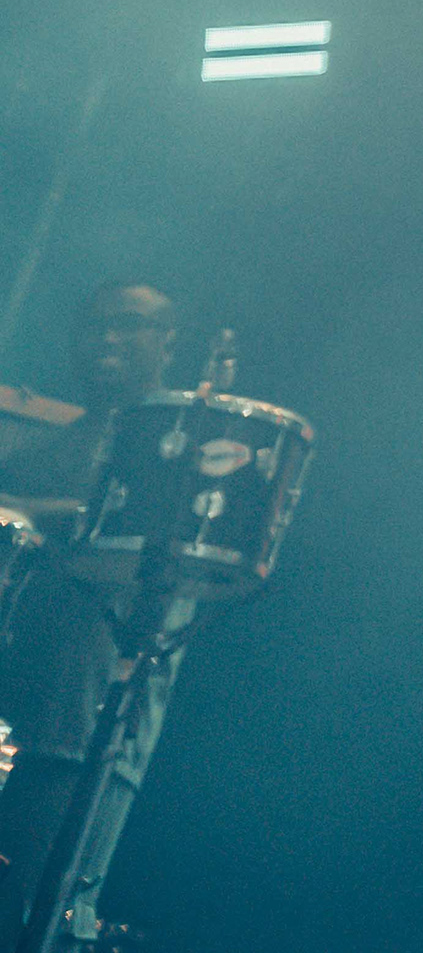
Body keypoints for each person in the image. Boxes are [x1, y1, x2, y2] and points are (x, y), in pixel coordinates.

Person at [0, 280, 183, 939]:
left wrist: (19, 511)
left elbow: (117, 527)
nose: (107, 338)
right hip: (14, 714)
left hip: (86, 733)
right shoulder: (42, 450)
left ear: (168, 343)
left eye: (129, 323)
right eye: (95, 325)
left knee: (42, 915)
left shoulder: (180, 452)